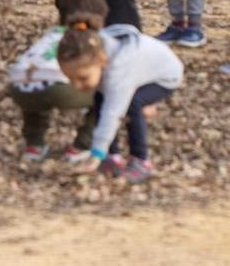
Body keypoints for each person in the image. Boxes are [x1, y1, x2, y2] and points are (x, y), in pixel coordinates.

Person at [58, 17, 184, 184]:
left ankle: (141, 161)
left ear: (102, 61)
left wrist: (96, 154)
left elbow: (112, 114)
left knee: (132, 104)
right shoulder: (93, 48)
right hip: (138, 70)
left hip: (165, 76)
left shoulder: (118, 71)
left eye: (82, 78)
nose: (77, 85)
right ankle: (112, 156)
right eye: (71, 79)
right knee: (99, 98)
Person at [7, 0, 106, 163]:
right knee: (104, 96)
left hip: (19, 84)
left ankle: (34, 145)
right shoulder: (90, 37)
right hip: (59, 88)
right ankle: (82, 145)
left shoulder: (53, 33)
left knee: (36, 102)